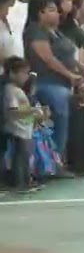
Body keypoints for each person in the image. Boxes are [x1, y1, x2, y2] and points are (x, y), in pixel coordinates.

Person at [23, 0, 83, 166]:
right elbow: (48, 59)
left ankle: (64, 156)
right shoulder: (35, 31)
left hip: (62, 82)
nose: (56, 12)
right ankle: (54, 159)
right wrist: (70, 75)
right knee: (60, 111)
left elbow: (71, 55)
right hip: (45, 82)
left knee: (68, 115)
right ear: (40, 13)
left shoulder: (57, 33)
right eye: (50, 9)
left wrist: (83, 72)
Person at [3, 56, 40, 193]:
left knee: (26, 157)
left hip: (25, 129)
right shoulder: (10, 90)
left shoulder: (20, 90)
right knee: (20, 157)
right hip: (18, 130)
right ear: (13, 73)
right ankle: (20, 183)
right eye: (23, 73)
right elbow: (13, 111)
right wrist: (32, 111)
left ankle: (26, 180)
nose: (26, 76)